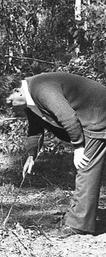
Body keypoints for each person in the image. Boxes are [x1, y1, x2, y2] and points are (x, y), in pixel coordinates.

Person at [7, 72, 106, 237]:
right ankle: (78, 216)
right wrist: (31, 155)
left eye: (10, 102)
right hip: (93, 117)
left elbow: (67, 116)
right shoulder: (30, 99)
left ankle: (78, 225)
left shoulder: (42, 89)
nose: (11, 107)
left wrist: (78, 147)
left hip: (98, 116)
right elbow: (35, 129)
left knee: (85, 166)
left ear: (17, 91)